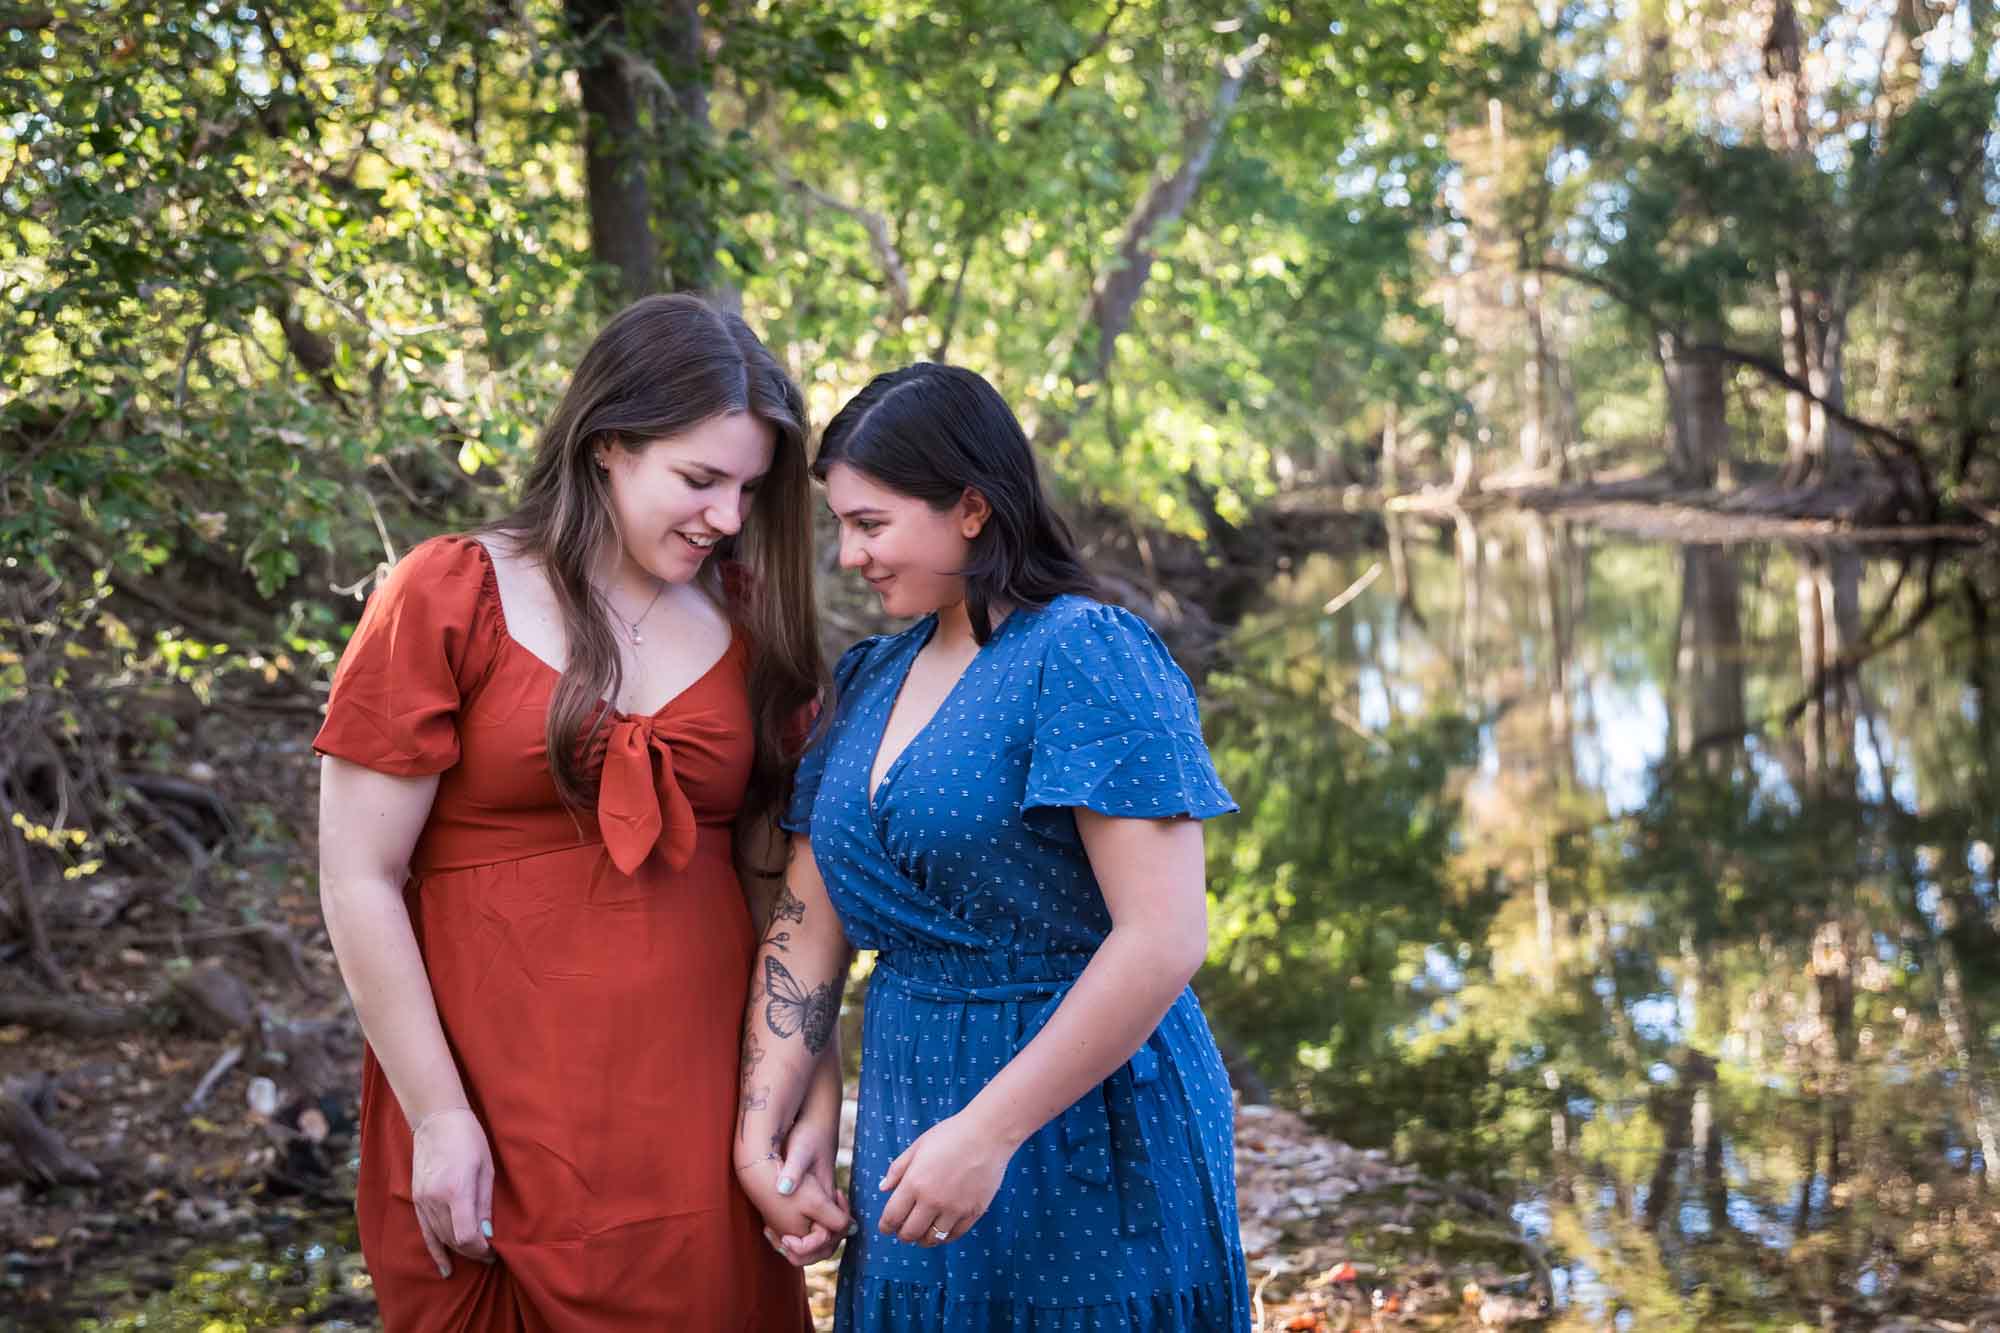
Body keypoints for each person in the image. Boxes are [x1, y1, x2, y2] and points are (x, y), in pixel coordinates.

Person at [314, 294, 848, 1331]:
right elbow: (357, 877)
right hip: (483, 1114)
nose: (728, 517)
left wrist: (806, 1103)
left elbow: (789, 904)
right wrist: (438, 1118)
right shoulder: (448, 593)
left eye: (747, 487)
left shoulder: (751, 634)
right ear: (607, 443)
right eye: (699, 479)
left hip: (691, 1130)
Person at [737, 363, 1251, 1330]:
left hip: (1090, 1122)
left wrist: (989, 1130)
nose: (848, 557)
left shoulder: (1088, 652)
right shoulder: (868, 677)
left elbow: (1165, 936)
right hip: (912, 1110)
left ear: (971, 507)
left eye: (872, 524)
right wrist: (761, 1136)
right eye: (841, 525)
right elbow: (806, 929)